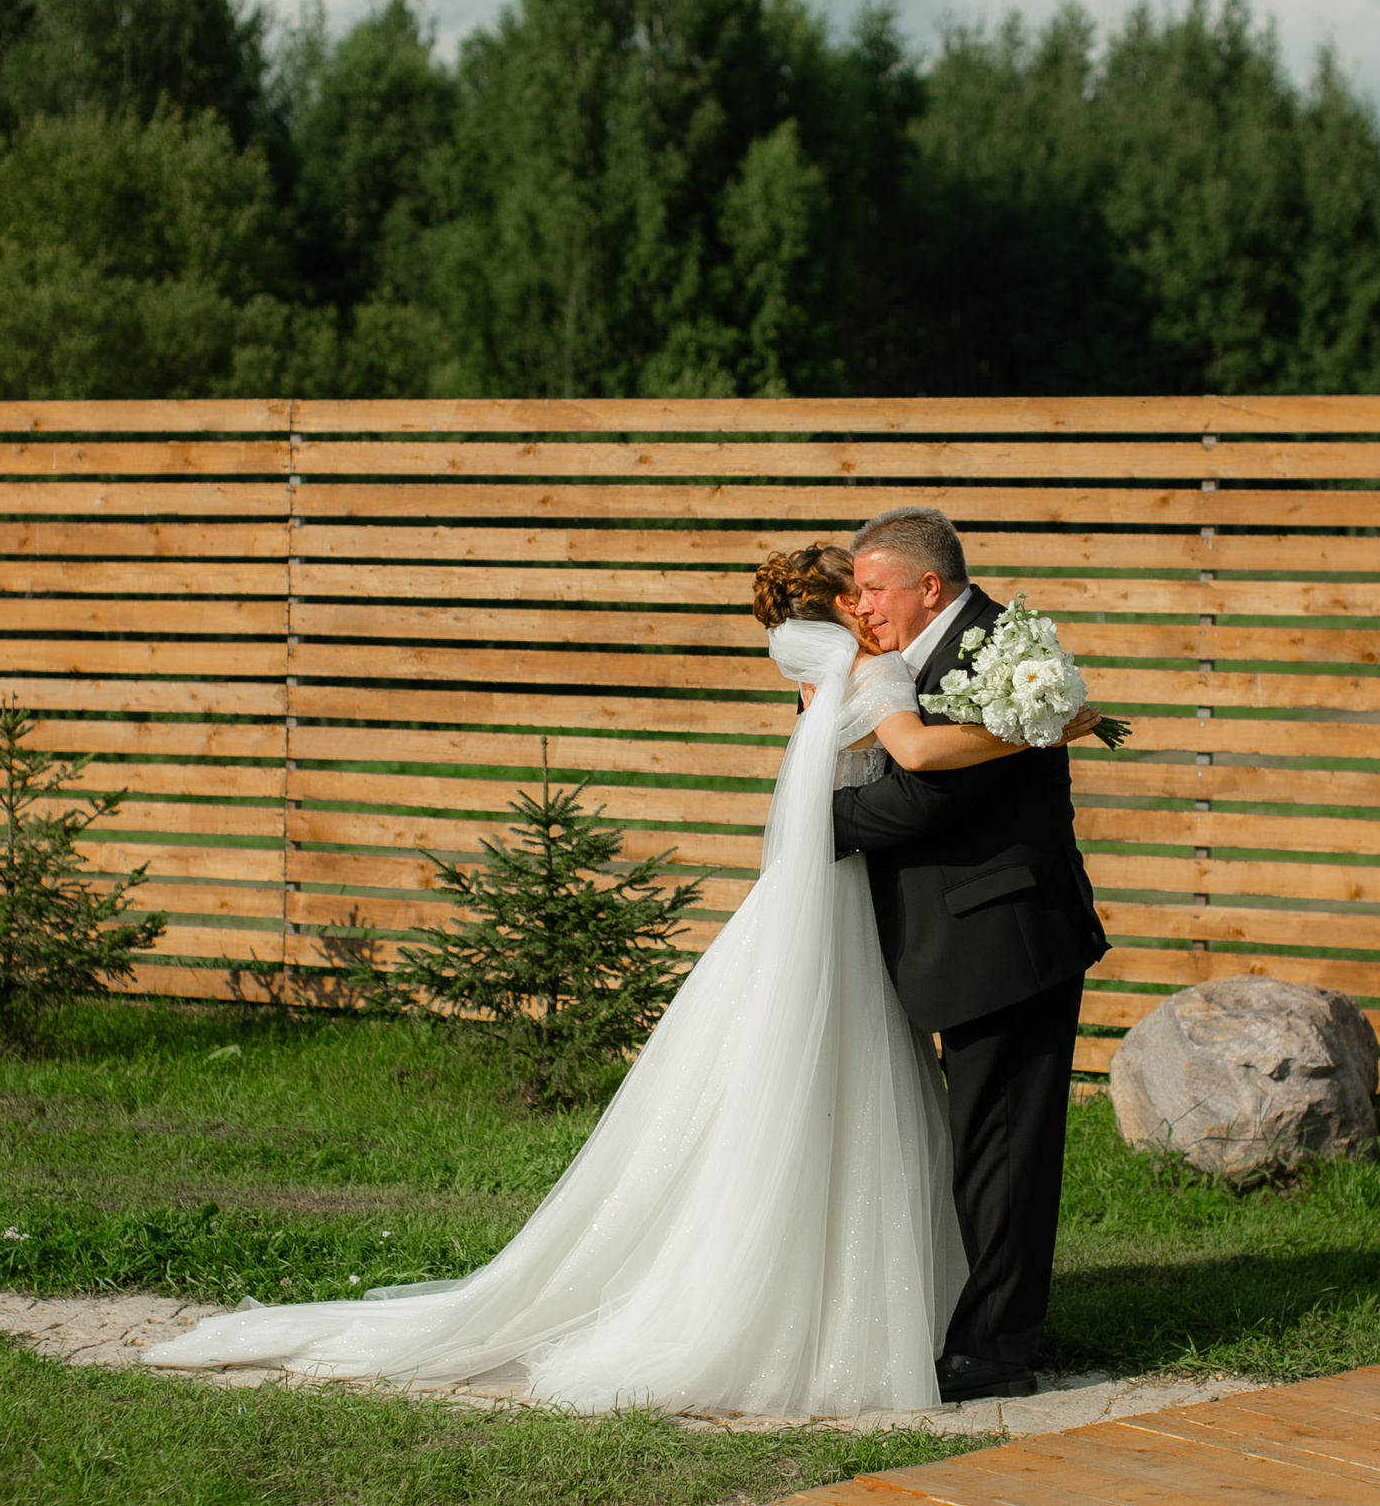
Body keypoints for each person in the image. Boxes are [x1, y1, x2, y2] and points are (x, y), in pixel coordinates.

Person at [141, 544, 1095, 1418]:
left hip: (819, 902)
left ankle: (856, 1305)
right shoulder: (877, 668)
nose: (877, 607)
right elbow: (919, 758)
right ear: (848, 601)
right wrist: (1049, 721)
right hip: (835, 901)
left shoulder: (810, 665)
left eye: (882, 586)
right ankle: (891, 1313)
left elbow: (869, 778)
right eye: (865, 590)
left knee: (788, 1098)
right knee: (841, 1102)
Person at [833, 507, 1110, 1404]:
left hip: (1007, 934)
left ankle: (997, 1345)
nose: (860, 605)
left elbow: (923, 805)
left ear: (929, 585)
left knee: (1003, 1146)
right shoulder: (918, 655)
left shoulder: (995, 652)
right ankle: (970, 1312)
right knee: (977, 1140)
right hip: (951, 938)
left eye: (873, 587)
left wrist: (811, 819)